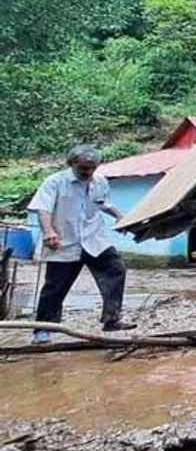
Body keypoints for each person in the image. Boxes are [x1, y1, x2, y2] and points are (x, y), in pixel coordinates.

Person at [28, 144, 137, 343]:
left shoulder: (100, 181)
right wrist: (49, 232)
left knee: (116, 269)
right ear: (72, 164)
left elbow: (103, 203)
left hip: (94, 239)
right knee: (55, 286)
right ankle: (43, 329)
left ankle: (111, 319)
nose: (88, 172)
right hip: (64, 241)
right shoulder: (55, 182)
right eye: (83, 168)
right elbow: (43, 209)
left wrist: (121, 217)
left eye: (92, 168)